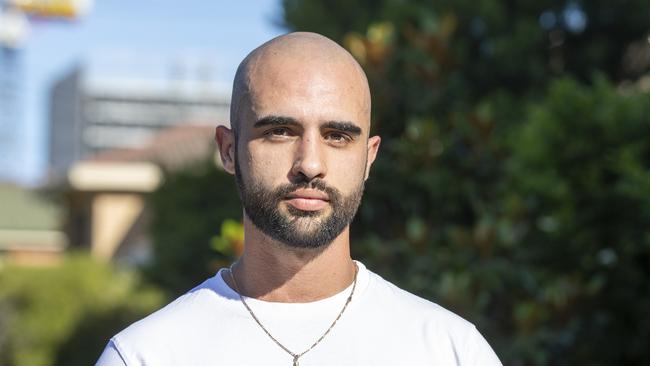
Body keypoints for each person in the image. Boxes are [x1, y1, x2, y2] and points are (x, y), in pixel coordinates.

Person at [96, 32, 503, 366]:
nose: (310, 164)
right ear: (228, 149)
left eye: (338, 136)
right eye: (280, 131)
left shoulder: (452, 351)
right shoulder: (144, 356)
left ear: (368, 158)